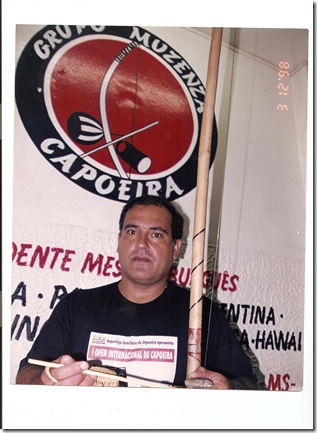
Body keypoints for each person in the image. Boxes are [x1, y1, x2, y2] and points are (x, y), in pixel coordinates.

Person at [16, 194, 262, 389]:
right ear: (119, 240)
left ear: (176, 248)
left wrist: (229, 389)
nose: (142, 244)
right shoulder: (77, 305)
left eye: (156, 234)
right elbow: (25, 375)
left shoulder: (201, 312)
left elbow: (250, 385)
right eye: (132, 232)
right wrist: (46, 379)